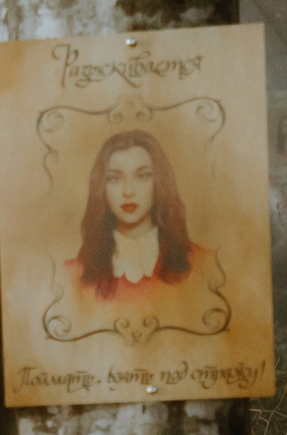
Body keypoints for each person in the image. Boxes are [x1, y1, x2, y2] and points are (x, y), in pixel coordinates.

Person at [63, 127, 209, 303]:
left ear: (159, 184)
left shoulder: (204, 265)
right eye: (114, 179)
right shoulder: (70, 277)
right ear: (101, 188)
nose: (128, 192)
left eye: (142, 176)